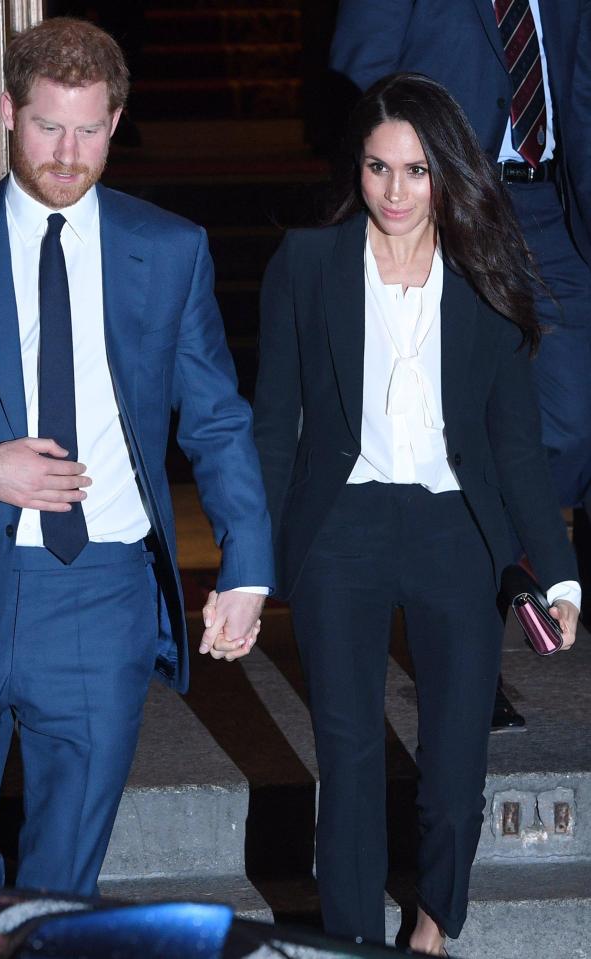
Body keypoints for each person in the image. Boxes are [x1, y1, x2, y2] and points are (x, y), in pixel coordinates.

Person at [0, 17, 273, 896]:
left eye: (88, 128)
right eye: (47, 126)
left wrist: (247, 565)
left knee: (61, 884)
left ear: (115, 120)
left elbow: (218, 420)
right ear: (6, 111)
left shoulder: (169, 248)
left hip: (98, 592)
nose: (68, 154)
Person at [252, 73, 579, 954]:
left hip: (452, 533)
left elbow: (514, 443)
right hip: (340, 532)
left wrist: (558, 571)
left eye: (416, 171)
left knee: (454, 764)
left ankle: (433, 922)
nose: (394, 192)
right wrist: (258, 554)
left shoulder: (481, 276)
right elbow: (273, 422)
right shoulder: (308, 265)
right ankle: (353, 937)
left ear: (448, 173)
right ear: (354, 168)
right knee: (349, 756)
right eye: (376, 168)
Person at [329, 0, 591, 729]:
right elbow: (362, 74)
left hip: (551, 208)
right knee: (442, 439)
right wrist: (403, 196)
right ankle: (465, 655)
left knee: (568, 428)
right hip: (443, 208)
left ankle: (505, 568)